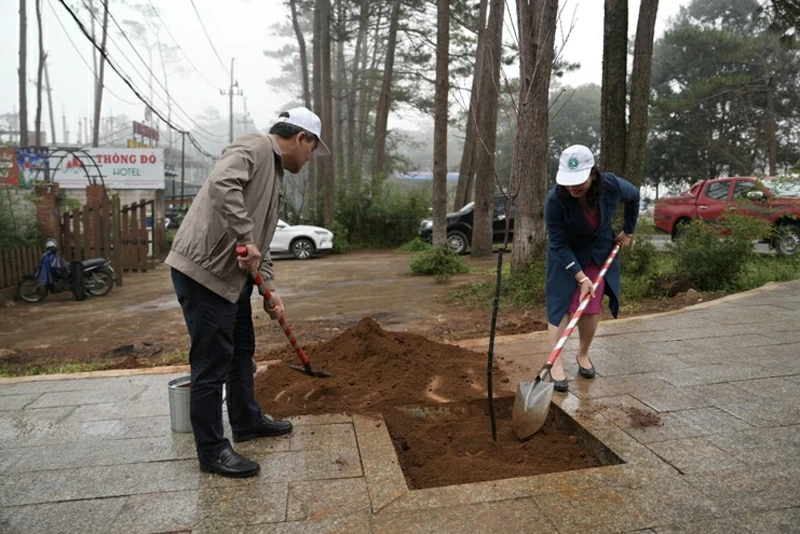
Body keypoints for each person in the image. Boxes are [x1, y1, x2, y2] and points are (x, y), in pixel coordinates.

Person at [166, 107, 330, 478]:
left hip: (233, 277)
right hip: (205, 272)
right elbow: (222, 184)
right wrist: (244, 236)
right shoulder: (256, 146)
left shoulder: (274, 176)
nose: (309, 158)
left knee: (242, 350)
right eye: (312, 149)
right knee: (212, 362)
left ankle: (246, 420)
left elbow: (262, 243)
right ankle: (211, 450)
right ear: (301, 137)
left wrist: (268, 288)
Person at [544, 144, 640, 392]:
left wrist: (627, 230)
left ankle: (583, 355)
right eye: (568, 181)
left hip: (598, 250)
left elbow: (635, 196)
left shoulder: (611, 186)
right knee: (562, 305)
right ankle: (555, 363)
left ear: (593, 174)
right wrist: (579, 276)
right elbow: (559, 243)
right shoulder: (555, 200)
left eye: (579, 181)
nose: (573, 187)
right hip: (566, 256)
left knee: (591, 304)